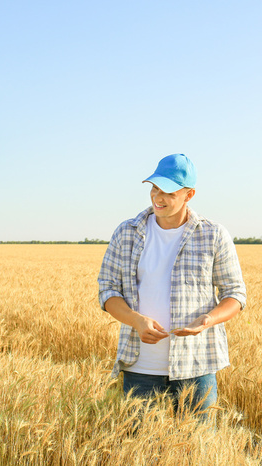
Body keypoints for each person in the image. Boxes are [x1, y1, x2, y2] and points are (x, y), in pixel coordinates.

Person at [97, 153, 246, 415]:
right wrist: (136, 321)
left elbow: (235, 294)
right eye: (155, 188)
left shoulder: (213, 235)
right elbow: (108, 291)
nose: (158, 197)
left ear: (189, 195)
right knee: (138, 449)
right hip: (139, 367)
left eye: (169, 192)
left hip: (196, 367)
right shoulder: (126, 232)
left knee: (198, 449)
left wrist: (207, 320)